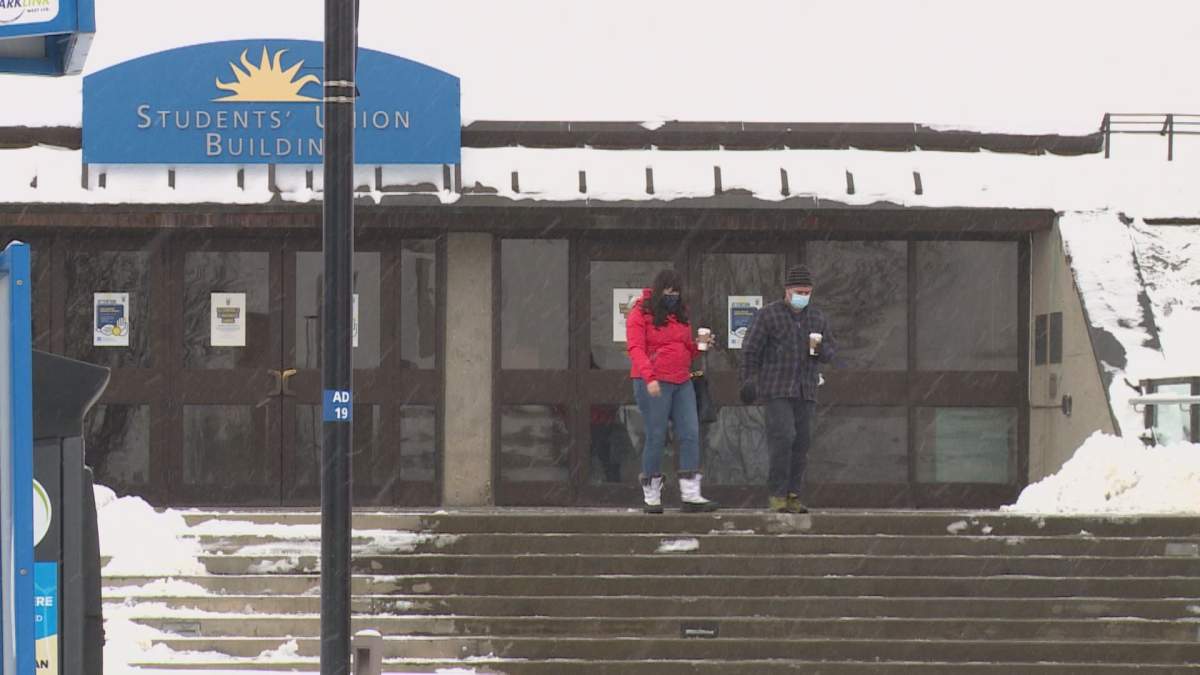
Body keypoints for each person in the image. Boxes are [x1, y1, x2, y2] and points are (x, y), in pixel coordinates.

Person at [738, 264, 837, 514]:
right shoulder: (768, 316)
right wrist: (748, 380)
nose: (803, 296)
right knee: (783, 437)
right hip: (777, 388)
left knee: (801, 443)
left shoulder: (817, 318)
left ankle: (794, 494)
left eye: (807, 291)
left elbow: (830, 353)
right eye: (799, 291)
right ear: (787, 291)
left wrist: (821, 347)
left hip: (806, 389)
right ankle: (777, 494)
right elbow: (751, 349)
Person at [625, 269, 718, 513]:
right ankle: (652, 494)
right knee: (656, 435)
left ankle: (690, 493)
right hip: (653, 382)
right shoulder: (640, 312)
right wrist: (649, 377)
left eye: (676, 292)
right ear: (658, 290)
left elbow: (683, 348)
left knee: (689, 432)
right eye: (668, 291)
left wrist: (700, 347)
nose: (672, 296)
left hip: (681, 379)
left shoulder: (680, 314)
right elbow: (635, 348)